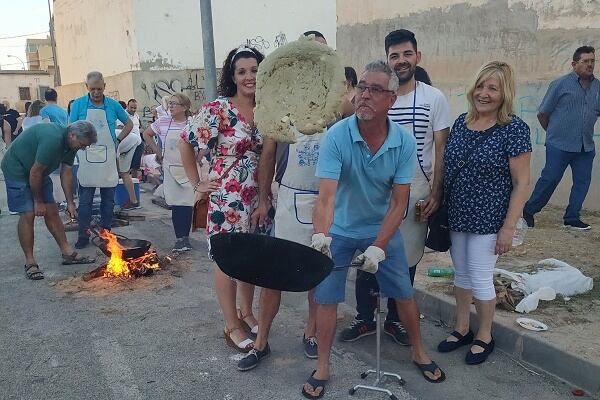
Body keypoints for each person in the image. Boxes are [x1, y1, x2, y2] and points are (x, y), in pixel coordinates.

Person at [304, 60, 445, 398]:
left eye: (375, 90)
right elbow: (326, 197)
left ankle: (418, 351)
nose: (364, 95)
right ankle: (323, 365)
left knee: (403, 292)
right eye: (362, 87)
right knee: (326, 297)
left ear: (391, 100)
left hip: (381, 226)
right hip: (338, 227)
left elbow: (399, 203)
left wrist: (380, 245)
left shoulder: (403, 141)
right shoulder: (337, 135)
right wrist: (321, 235)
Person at [341, 29, 451, 347]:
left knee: (406, 259)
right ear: (387, 59)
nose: (401, 60)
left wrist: (436, 193)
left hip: (416, 190)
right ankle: (364, 317)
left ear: (417, 56)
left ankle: (395, 321)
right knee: (368, 251)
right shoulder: (371, 94)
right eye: (394, 55)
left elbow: (441, 148)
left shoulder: (434, 98)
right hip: (372, 190)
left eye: (406, 54)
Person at [236, 30, 329, 371]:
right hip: (289, 199)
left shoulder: (339, 104)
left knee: (319, 274)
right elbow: (269, 155)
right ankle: (261, 342)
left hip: (325, 201)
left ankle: (312, 332)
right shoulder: (281, 102)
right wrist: (263, 200)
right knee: (273, 275)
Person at [437, 61, 531, 364]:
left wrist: (509, 227)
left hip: (489, 221)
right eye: (481, 85)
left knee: (479, 278)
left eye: (493, 88)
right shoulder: (462, 123)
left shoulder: (514, 129)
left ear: (505, 93)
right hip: (458, 216)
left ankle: (485, 335)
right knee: (461, 276)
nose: (484, 93)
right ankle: (462, 328)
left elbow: (521, 182)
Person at [179, 45, 267, 353]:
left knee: (252, 257)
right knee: (227, 260)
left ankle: (247, 312)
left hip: (258, 193)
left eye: (254, 70)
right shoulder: (219, 108)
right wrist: (197, 183)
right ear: (232, 76)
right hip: (226, 195)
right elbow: (185, 144)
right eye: (242, 71)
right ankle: (230, 324)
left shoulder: (267, 107)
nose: (249, 77)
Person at [0, 121, 98, 279]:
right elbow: (35, 172)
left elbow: (66, 172)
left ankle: (67, 253)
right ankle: (30, 262)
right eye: (82, 144)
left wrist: (70, 202)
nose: (83, 148)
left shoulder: (71, 144)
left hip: (38, 171)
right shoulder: (52, 139)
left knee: (52, 211)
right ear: (72, 135)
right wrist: (38, 201)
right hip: (17, 169)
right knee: (28, 213)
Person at [523, 46, 598, 230]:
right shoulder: (560, 84)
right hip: (559, 144)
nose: (590, 65)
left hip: (585, 146)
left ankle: (572, 218)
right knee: (550, 179)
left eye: (592, 61)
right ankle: (528, 211)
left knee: (582, 182)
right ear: (574, 64)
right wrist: (553, 133)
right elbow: (543, 113)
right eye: (585, 61)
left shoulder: (598, 87)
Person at [69, 71, 133, 249]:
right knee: (85, 201)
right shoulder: (79, 104)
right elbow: (70, 128)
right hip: (86, 158)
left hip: (107, 159)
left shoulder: (113, 105)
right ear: (86, 87)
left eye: (99, 89)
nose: (96, 93)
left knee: (108, 200)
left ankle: (106, 234)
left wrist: (118, 140)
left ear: (104, 87)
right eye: (92, 89)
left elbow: (129, 124)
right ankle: (83, 234)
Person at [144, 93, 195, 251]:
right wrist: (159, 153)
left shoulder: (193, 123)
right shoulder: (163, 121)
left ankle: (185, 238)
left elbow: (204, 141)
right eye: (170, 103)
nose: (171, 106)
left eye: (175, 104)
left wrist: (200, 155)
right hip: (171, 168)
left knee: (187, 204)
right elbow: (147, 134)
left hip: (190, 169)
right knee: (176, 204)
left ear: (185, 107)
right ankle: (180, 238)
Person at [116, 98, 143, 210]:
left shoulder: (111, 139)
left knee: (123, 172)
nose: (133, 109)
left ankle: (133, 201)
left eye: (134, 107)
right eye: (131, 107)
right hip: (129, 142)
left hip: (132, 143)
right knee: (124, 172)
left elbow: (116, 155)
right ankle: (134, 201)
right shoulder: (120, 120)